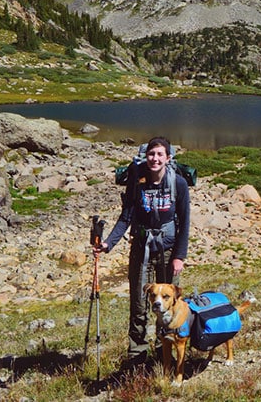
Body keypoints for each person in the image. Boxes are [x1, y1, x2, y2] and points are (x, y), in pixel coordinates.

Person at [94, 136, 190, 366]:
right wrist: (108, 243)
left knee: (168, 304)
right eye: (151, 154)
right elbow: (126, 216)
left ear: (168, 158)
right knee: (139, 305)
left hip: (168, 252)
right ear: (145, 156)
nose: (155, 158)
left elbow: (185, 221)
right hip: (141, 250)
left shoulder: (178, 183)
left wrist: (179, 256)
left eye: (159, 154)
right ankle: (137, 356)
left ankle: (163, 350)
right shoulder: (137, 181)